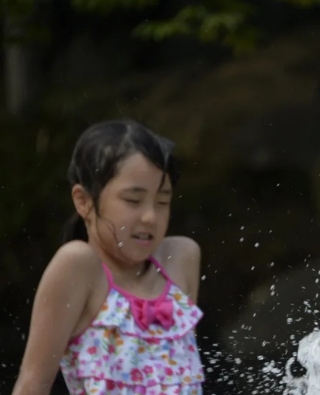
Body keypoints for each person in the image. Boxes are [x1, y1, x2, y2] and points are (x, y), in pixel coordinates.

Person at [12, 120, 204, 395]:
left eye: (162, 201)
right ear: (84, 201)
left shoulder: (181, 258)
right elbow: (32, 386)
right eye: (133, 200)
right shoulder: (79, 267)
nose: (150, 216)